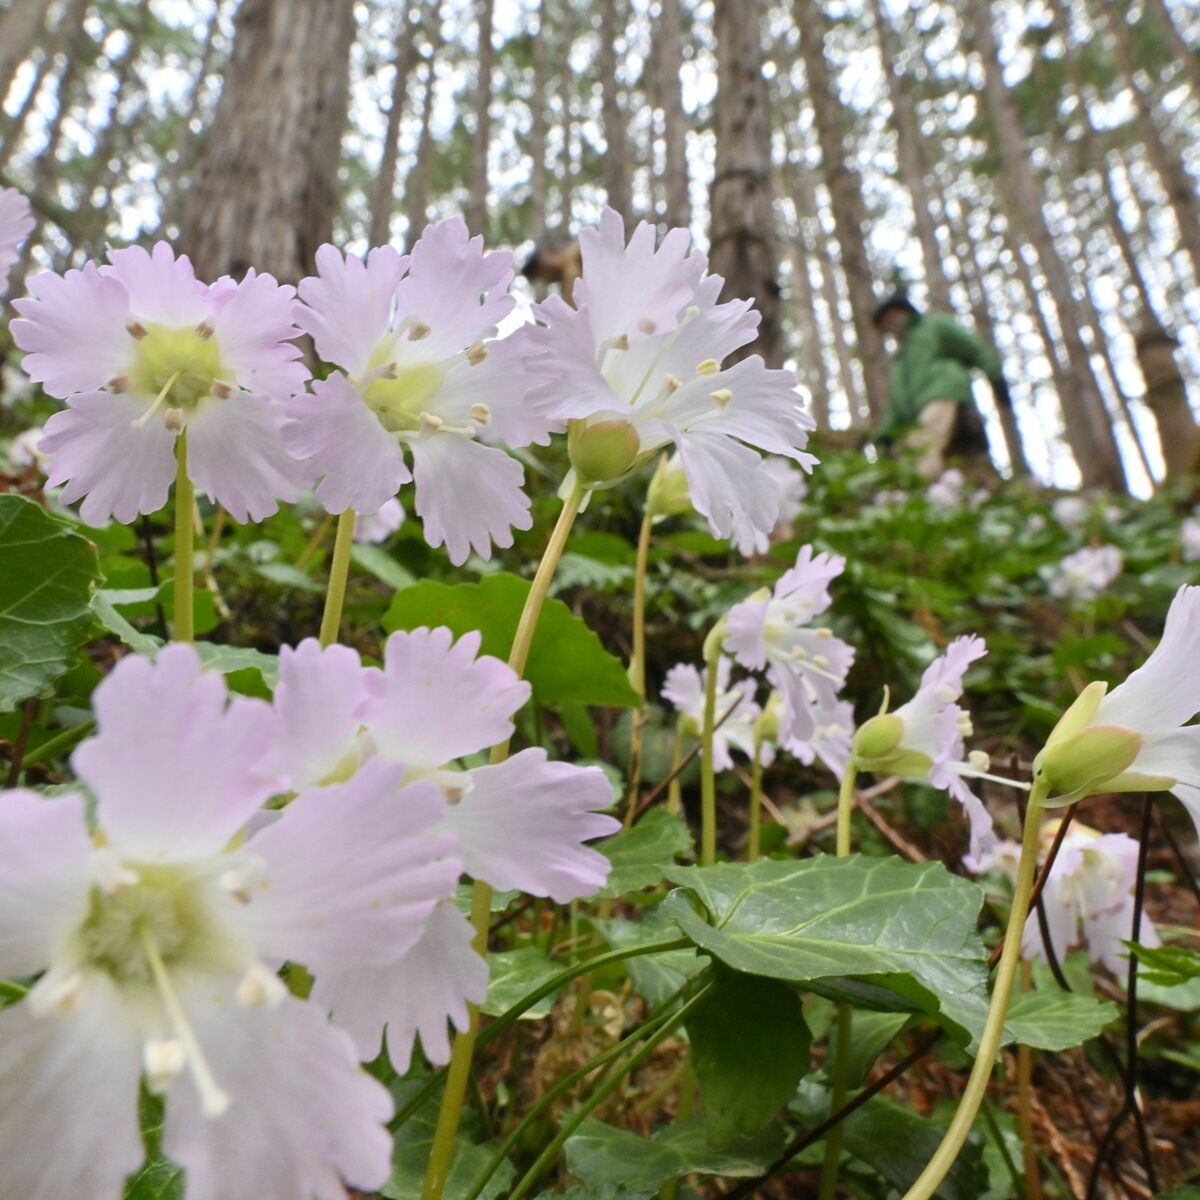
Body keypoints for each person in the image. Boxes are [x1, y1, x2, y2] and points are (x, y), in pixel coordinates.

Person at [873, 292, 1010, 480]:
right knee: (935, 455)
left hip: (945, 392)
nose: (892, 324)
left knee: (922, 445)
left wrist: (996, 377)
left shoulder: (933, 326)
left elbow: (971, 346)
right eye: (886, 322)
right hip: (919, 413)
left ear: (905, 311)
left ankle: (920, 489)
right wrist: (886, 434)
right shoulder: (899, 361)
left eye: (893, 316)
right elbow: (896, 403)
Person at [520, 240, 583, 306]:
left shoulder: (577, 250)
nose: (545, 273)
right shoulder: (568, 294)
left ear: (551, 251)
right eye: (539, 274)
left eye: (541, 265)